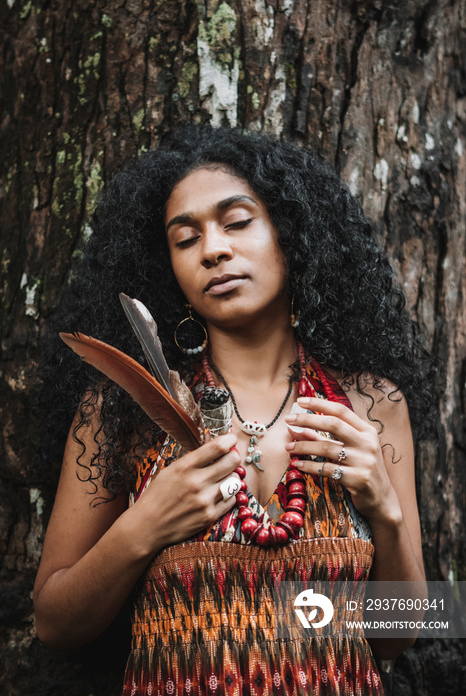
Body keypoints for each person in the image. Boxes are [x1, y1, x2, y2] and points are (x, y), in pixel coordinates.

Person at [33, 125, 431, 695]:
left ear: (289, 234)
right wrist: (142, 528)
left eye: (238, 221)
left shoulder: (372, 404)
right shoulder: (122, 410)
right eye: (185, 238)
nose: (213, 249)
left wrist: (385, 510)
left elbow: (400, 636)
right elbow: (54, 624)